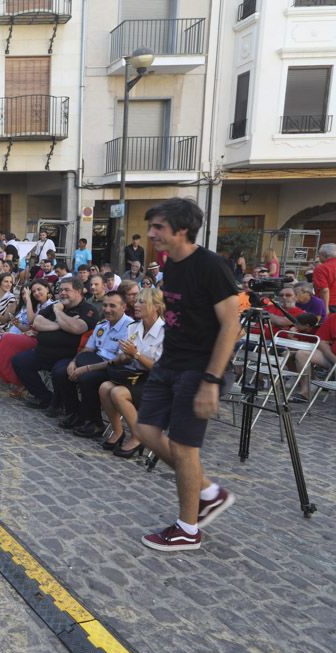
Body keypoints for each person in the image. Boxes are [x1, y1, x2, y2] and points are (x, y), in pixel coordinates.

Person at [133, 198, 240, 552]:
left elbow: (231, 325)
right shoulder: (170, 265)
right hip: (170, 363)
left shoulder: (211, 267)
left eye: (158, 228)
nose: (151, 235)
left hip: (199, 368)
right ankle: (208, 492)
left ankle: (187, 528)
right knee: (145, 430)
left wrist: (211, 380)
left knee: (183, 446)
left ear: (182, 230)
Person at [12, 278, 101, 411]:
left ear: (78, 291)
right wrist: (61, 325)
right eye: (60, 290)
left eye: (67, 290)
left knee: (59, 372)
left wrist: (58, 312)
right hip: (43, 351)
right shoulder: (56, 304)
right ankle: (44, 397)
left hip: (67, 355)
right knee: (19, 361)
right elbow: (36, 322)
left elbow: (77, 328)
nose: (62, 293)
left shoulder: (88, 309)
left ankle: (67, 407)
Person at [54, 290, 134, 437]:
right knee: (62, 371)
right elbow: (88, 349)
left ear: (124, 307)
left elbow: (120, 360)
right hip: (92, 361)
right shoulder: (102, 324)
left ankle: (95, 423)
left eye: (112, 306)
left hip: (114, 368)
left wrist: (86, 368)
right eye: (104, 305)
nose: (107, 309)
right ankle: (75, 414)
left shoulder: (130, 327)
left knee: (87, 378)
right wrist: (73, 362)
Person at [99, 287, 166, 457]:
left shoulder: (165, 332)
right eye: (136, 301)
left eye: (142, 301)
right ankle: (118, 431)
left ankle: (139, 436)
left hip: (158, 380)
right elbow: (128, 357)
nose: (136, 305)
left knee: (118, 393)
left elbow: (160, 368)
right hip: (136, 374)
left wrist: (135, 353)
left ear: (156, 306)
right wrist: (124, 356)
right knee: (104, 388)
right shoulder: (134, 327)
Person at [292, 313, 336, 402]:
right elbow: (322, 342)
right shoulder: (333, 317)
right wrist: (333, 359)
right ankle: (305, 393)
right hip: (332, 357)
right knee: (302, 354)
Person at [313, 243, 336, 313]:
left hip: (330, 303)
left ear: (324, 254)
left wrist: (325, 309)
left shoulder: (321, 268)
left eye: (319, 254)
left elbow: (324, 290)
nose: (318, 257)